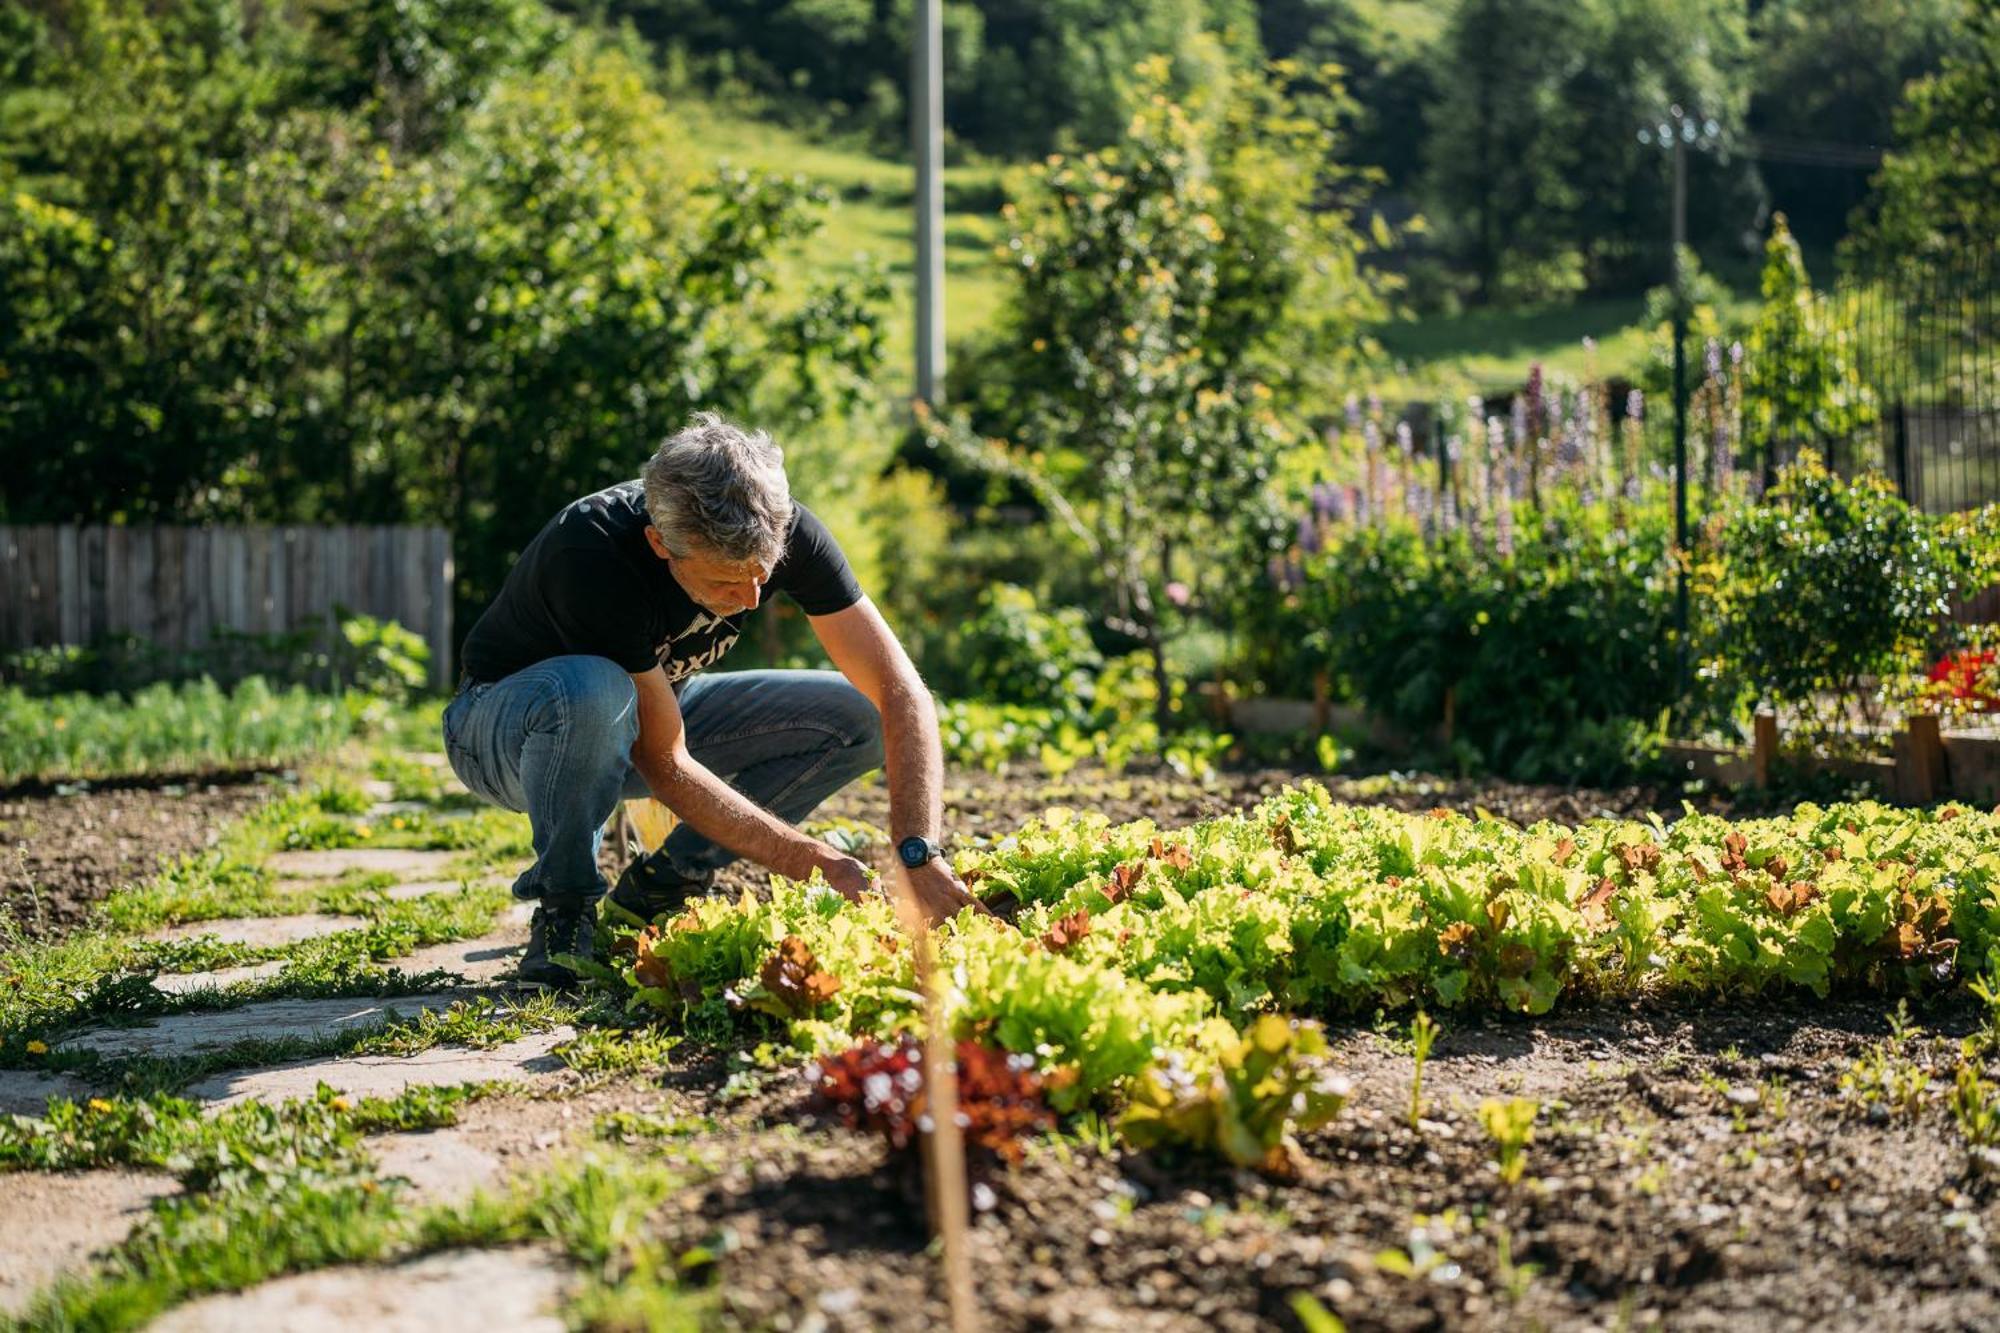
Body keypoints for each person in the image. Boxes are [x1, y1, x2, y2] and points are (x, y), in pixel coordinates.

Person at [442, 412, 981, 987]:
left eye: (761, 573)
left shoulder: (784, 528)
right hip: (502, 729)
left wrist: (918, 851)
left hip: (646, 709)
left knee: (861, 716)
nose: (750, 598)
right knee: (595, 690)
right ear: (659, 543)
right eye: (726, 580)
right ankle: (565, 909)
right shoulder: (592, 554)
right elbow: (664, 761)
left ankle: (666, 880)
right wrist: (812, 860)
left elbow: (900, 688)